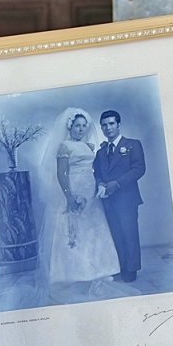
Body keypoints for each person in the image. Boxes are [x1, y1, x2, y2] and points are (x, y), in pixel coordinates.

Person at [35, 107, 120, 296]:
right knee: (73, 228)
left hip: (90, 189)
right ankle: (72, 272)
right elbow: (61, 173)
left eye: (84, 126)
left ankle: (100, 268)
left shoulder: (89, 146)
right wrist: (69, 196)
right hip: (73, 188)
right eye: (77, 126)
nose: (81, 129)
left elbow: (94, 169)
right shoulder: (65, 146)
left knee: (94, 228)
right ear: (70, 127)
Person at [91, 109, 146, 283]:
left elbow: (139, 168)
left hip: (126, 198)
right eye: (104, 125)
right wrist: (100, 182)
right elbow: (97, 172)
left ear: (118, 125)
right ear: (101, 127)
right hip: (108, 199)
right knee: (115, 233)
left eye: (111, 124)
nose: (108, 128)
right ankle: (120, 266)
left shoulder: (132, 144)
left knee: (129, 233)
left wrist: (118, 183)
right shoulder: (101, 152)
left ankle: (131, 269)